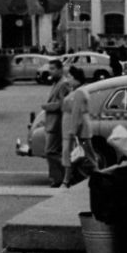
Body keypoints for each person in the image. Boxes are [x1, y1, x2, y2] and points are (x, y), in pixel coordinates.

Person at [42, 59, 74, 188]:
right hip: (52, 123)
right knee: (53, 151)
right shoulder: (57, 83)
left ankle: (68, 172)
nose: (50, 71)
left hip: (57, 123)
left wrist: (47, 106)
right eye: (50, 69)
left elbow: (63, 104)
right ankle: (57, 178)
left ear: (61, 69)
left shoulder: (63, 84)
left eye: (53, 69)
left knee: (50, 151)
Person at [59, 65, 90, 187]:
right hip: (68, 127)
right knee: (70, 153)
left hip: (71, 128)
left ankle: (66, 180)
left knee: (69, 153)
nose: (68, 79)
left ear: (77, 78)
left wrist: (74, 129)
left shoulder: (78, 93)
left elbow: (77, 112)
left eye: (70, 77)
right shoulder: (75, 91)